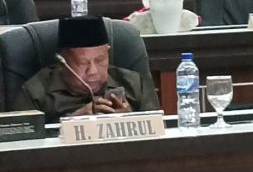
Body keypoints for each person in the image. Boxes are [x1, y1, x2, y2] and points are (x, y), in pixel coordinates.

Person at [11, 16, 160, 123]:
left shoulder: (133, 83)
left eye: (100, 60)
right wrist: (72, 122)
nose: (93, 71)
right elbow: (24, 146)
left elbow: (160, 133)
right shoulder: (35, 92)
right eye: (82, 63)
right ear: (62, 62)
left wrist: (132, 120)